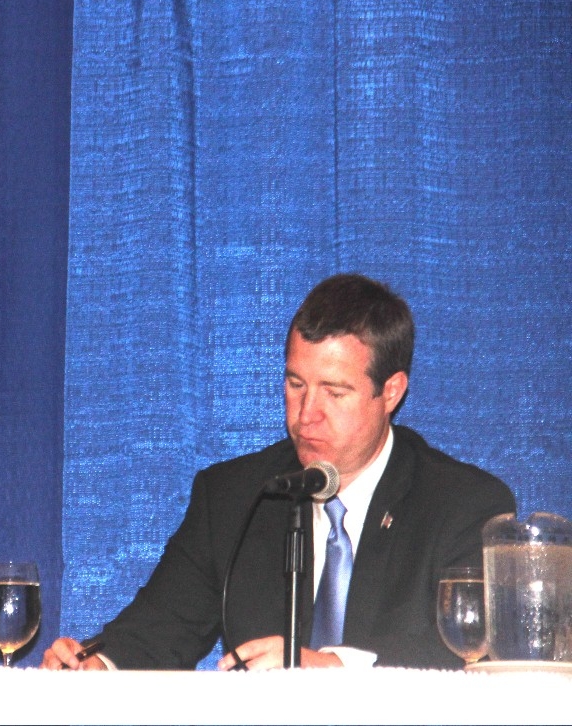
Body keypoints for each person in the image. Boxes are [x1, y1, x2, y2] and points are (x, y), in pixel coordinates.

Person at [43, 273, 514, 672]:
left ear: (390, 392)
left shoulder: (464, 507)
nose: (306, 414)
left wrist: (327, 669)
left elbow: (469, 659)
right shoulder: (234, 496)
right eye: (295, 384)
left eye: (334, 391)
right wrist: (100, 666)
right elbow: (160, 628)